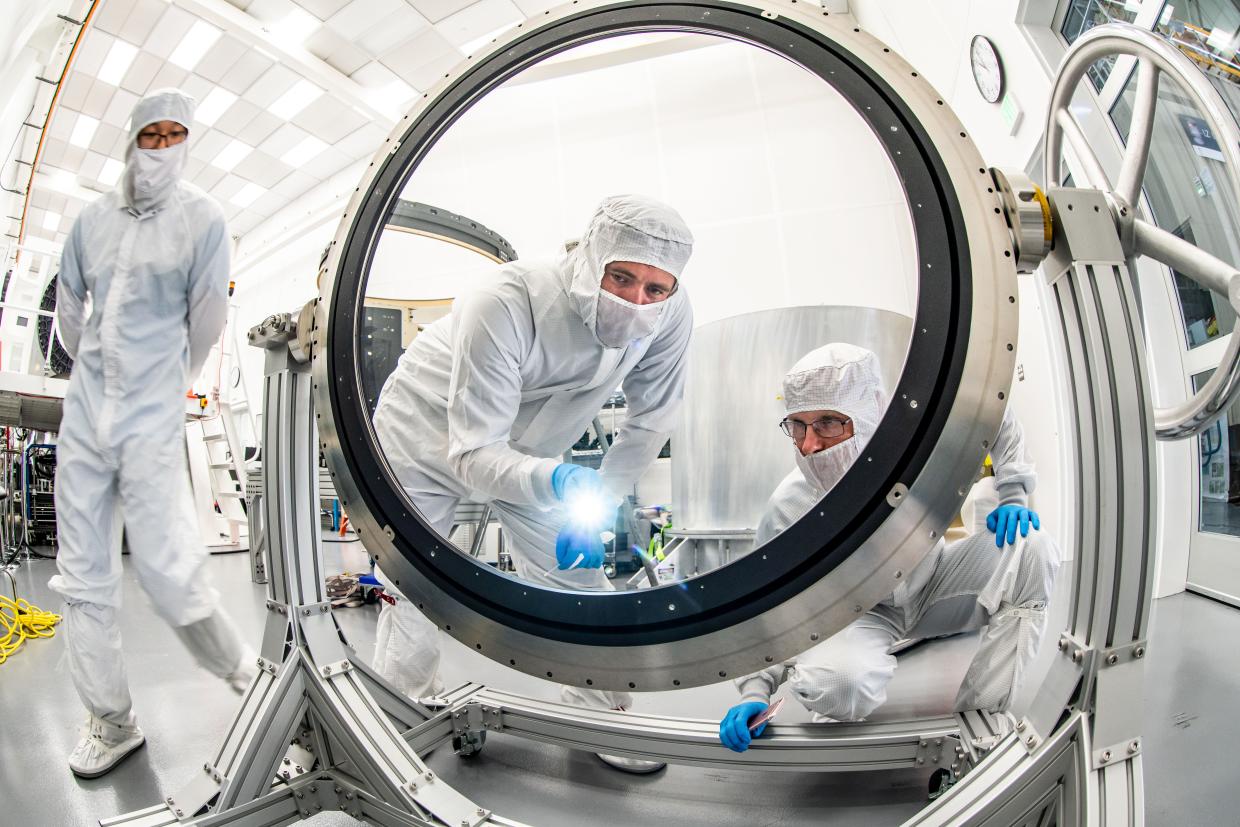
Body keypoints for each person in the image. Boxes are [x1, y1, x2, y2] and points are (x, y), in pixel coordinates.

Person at [372, 194, 694, 772]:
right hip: (423, 431)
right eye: (620, 278)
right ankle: (400, 711)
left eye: (655, 289)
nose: (636, 301)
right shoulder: (505, 299)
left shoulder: (672, 313)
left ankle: (597, 715)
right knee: (416, 581)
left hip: (533, 451)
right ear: (591, 257)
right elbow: (472, 453)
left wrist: (606, 497)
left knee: (580, 575)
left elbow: (651, 419)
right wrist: (565, 480)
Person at [50, 89, 257, 778]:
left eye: (175, 136)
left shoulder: (204, 219)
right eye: (152, 135)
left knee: (169, 569)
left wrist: (163, 382)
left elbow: (206, 320)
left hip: (150, 411)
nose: (162, 148)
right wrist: (99, 375)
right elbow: (68, 310)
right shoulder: (90, 221)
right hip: (86, 414)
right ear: (132, 138)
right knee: (83, 581)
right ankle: (112, 722)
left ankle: (244, 678)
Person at [718, 343, 1059, 752]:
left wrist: (1013, 494)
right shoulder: (790, 506)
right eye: (798, 425)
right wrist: (755, 689)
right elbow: (769, 607)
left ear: (868, 418)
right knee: (838, 685)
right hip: (859, 617)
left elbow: (993, 410)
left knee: (1032, 549)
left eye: (828, 423)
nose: (809, 445)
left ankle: (983, 716)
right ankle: (855, 667)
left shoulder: (924, 456)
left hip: (935, 585)